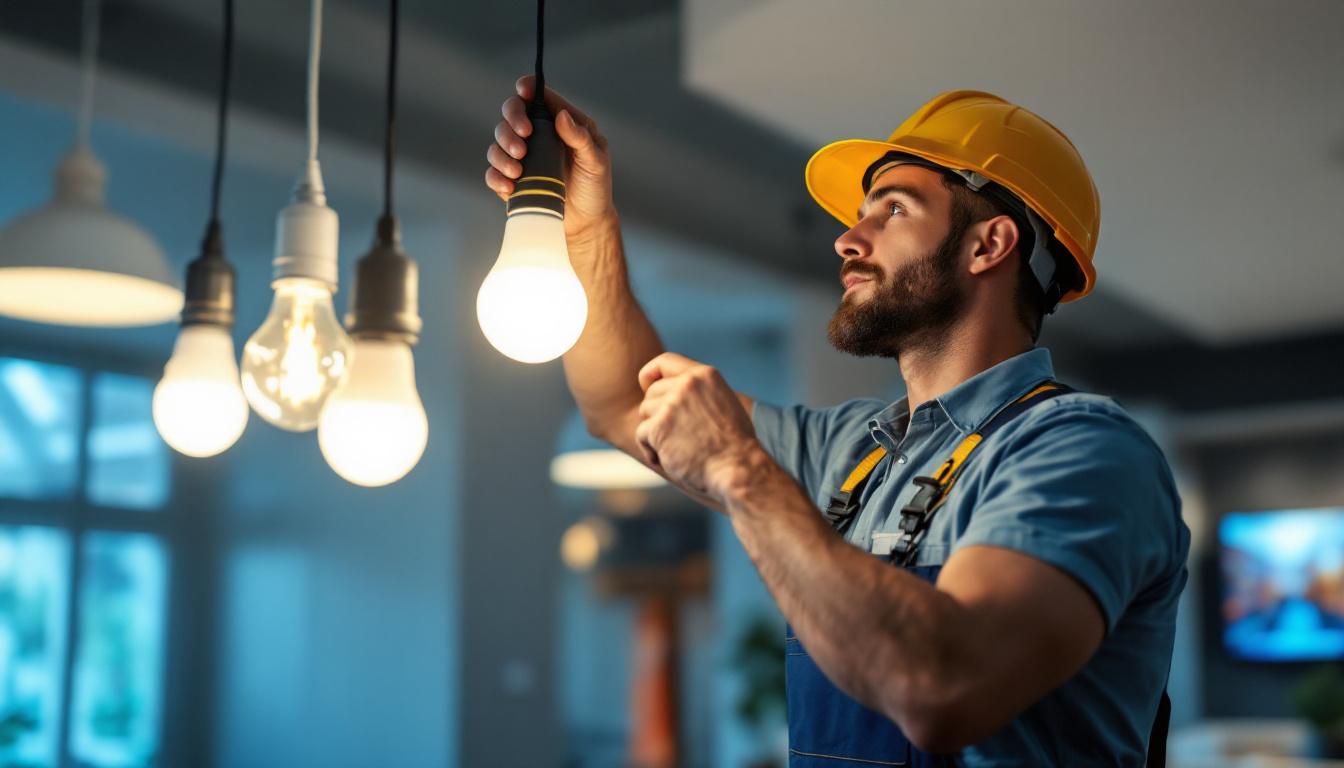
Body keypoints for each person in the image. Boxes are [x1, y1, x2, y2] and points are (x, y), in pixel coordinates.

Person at [485, 78, 1190, 767]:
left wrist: (741, 471)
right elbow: (623, 404)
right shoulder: (855, 453)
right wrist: (585, 227)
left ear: (989, 244)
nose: (848, 239)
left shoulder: (1082, 450)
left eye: (892, 210)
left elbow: (944, 686)